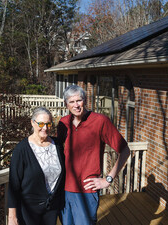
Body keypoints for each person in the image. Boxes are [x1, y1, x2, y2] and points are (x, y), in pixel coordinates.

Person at [57, 85, 131, 225]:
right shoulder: (63, 123)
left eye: (79, 100)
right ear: (66, 104)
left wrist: (108, 179)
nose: (76, 105)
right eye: (71, 102)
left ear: (85, 100)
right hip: (64, 190)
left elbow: (125, 150)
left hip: (87, 190)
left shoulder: (100, 121)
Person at [8, 107, 65, 225]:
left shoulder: (57, 145)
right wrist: (12, 217)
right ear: (32, 123)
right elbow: (14, 185)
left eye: (48, 124)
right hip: (29, 211)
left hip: (51, 209)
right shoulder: (22, 150)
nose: (45, 128)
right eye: (41, 123)